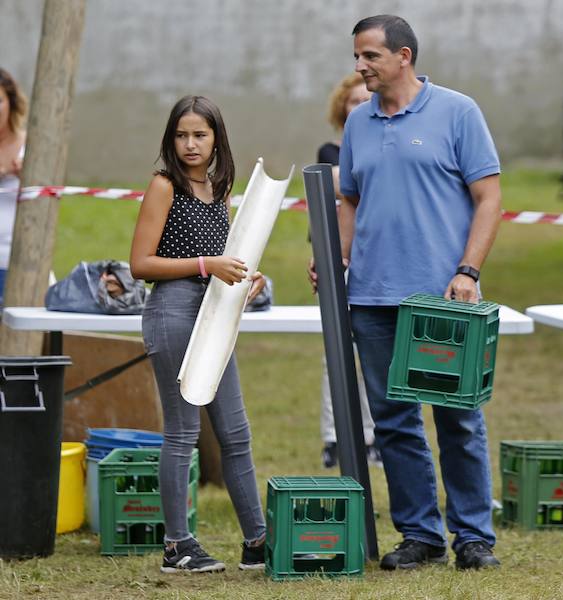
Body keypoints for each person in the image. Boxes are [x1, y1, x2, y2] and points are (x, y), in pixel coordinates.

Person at [308, 14, 502, 570]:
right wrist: (336, 257)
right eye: (356, 57)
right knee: (393, 422)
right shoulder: (358, 124)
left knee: (457, 419)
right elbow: (349, 199)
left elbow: (489, 199)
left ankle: (473, 538)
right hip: (371, 297)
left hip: (442, 298)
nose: (360, 66)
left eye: (369, 56)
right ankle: (420, 536)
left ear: (404, 56)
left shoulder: (458, 112)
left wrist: (468, 270)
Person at [130, 95, 267, 573]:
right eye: (181, 135)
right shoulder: (164, 185)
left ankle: (257, 542)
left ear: (216, 140)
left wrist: (248, 278)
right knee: (183, 432)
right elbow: (140, 264)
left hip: (214, 316)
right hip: (171, 313)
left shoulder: (219, 188)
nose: (190, 144)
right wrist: (208, 265)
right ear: (171, 139)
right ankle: (177, 546)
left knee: (235, 433)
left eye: (200, 135)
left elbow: (225, 258)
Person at [316, 73, 380, 469]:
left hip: (373, 260)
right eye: (352, 101)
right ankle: (333, 436)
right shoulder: (330, 149)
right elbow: (338, 181)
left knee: (373, 354)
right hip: (337, 257)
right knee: (335, 353)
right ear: (343, 108)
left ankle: (371, 435)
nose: (358, 107)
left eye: (365, 101)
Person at [0, 68, 27, 307]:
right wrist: (5, 171)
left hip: (16, 259)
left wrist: (30, 176)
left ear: (11, 102)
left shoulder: (32, 145)